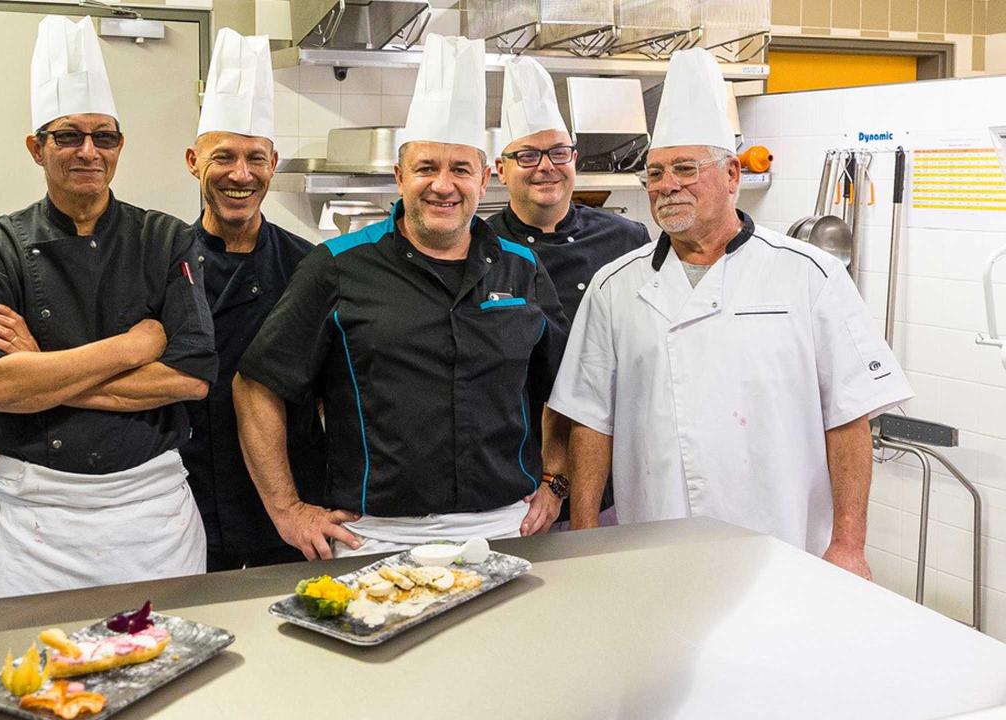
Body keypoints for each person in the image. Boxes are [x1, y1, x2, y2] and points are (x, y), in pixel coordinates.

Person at [548, 48, 914, 576]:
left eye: (685, 169)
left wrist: (849, 545)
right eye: (654, 173)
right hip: (654, 541)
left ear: (732, 175)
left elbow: (849, 418)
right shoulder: (614, 285)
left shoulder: (809, 274)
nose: (667, 185)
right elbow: (590, 422)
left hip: (781, 541)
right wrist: (584, 537)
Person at [233, 35, 570, 559]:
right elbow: (256, 385)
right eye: (425, 168)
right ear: (398, 177)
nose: (443, 185)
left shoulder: (522, 268)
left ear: (485, 179)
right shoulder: (337, 267)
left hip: (507, 530)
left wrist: (556, 481)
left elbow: (566, 390)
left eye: (460, 169)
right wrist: (287, 509)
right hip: (378, 537)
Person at [0, 16, 216, 600]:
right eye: (68, 136)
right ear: (36, 147)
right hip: (31, 526)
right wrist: (131, 348)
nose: (89, 152)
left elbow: (192, 379)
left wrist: (40, 370)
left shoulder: (166, 239)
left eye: (105, 137)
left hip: (152, 520)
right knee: (22, 679)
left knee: (165, 671)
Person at [180, 29, 325, 571]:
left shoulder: (310, 265)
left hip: (288, 502)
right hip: (185, 505)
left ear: (274, 162)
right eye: (224, 157)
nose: (241, 175)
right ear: (194, 161)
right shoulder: (163, 262)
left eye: (255, 158)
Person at [486, 56, 649, 530]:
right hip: (518, 477)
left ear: (574, 159)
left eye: (559, 152)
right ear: (500, 169)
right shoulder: (480, 247)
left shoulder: (627, 238)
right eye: (527, 156)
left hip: (616, 472)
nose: (546, 168)